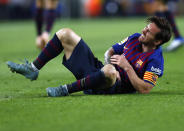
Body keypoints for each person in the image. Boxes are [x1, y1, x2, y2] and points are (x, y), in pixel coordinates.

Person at [7, 16, 172, 97]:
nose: (144, 30)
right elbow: (111, 51)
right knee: (65, 34)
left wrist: (126, 67)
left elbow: (145, 88)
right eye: (146, 27)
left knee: (110, 72)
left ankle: (65, 89)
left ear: (157, 41)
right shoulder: (135, 37)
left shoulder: (155, 59)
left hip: (113, 85)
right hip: (99, 71)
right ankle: (33, 69)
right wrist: (109, 61)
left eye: (148, 31)